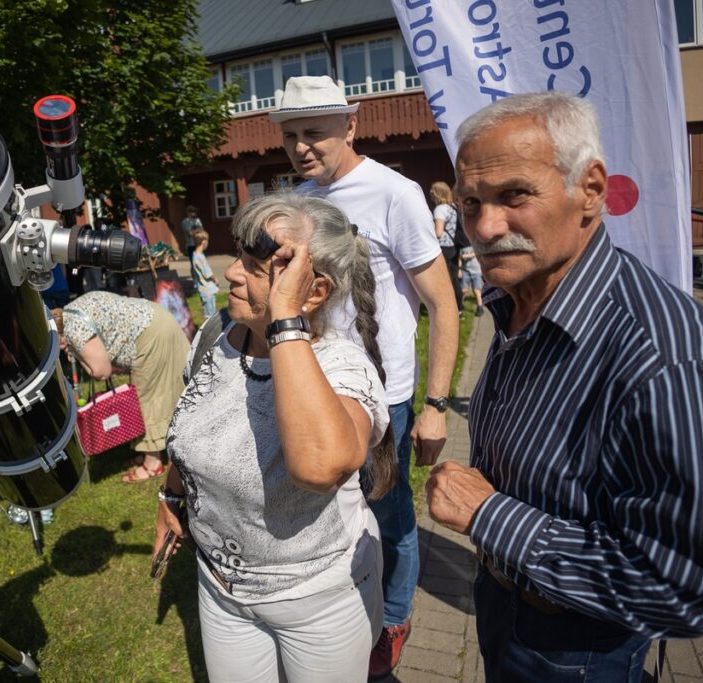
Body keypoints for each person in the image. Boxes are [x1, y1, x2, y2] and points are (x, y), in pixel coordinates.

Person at [425, 92, 703, 682]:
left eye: (514, 195)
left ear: (592, 190)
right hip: (506, 603)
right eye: (471, 203)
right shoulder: (519, 296)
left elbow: (689, 587)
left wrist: (488, 514)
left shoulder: (668, 355)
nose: (484, 226)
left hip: (579, 645)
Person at [154, 193, 395, 682]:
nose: (231, 275)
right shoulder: (216, 339)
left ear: (313, 291)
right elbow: (191, 426)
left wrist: (287, 319)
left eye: (256, 267)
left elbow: (319, 467)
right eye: (238, 258)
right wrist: (169, 496)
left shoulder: (341, 367)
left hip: (317, 602)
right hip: (222, 589)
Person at [270, 75, 459, 676]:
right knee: (330, 505)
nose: (302, 146)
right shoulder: (300, 200)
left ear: (350, 127)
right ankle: (347, 607)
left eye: (315, 133)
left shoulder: (394, 193)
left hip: (388, 394)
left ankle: (395, 616)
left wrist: (436, 405)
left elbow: (444, 307)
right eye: (292, 135)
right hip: (318, 386)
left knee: (391, 509)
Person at [55, 291, 190, 483]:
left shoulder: (73, 330)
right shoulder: (68, 312)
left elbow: (101, 371)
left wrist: (76, 353)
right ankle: (162, 446)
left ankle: (153, 464)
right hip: (155, 319)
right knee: (168, 391)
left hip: (150, 337)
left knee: (148, 400)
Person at [430, 181, 463, 314]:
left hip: (443, 248)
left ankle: (448, 309)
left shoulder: (440, 209)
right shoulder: (452, 207)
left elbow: (438, 233)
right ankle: (459, 307)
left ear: (437, 193)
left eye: (432, 192)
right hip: (453, 247)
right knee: (454, 279)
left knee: (445, 281)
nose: (430, 194)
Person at [190, 229, 220, 318]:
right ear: (204, 242)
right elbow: (208, 273)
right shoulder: (199, 258)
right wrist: (215, 279)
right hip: (207, 290)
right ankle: (209, 330)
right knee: (210, 314)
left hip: (204, 289)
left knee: (210, 311)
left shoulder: (195, 254)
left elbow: (192, 270)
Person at [458, 245, 484, 316]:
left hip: (476, 271)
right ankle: (459, 305)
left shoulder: (475, 244)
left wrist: (464, 256)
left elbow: (475, 253)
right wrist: (459, 269)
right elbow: (459, 258)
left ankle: (480, 307)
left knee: (476, 290)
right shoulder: (462, 246)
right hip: (465, 270)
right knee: (463, 290)